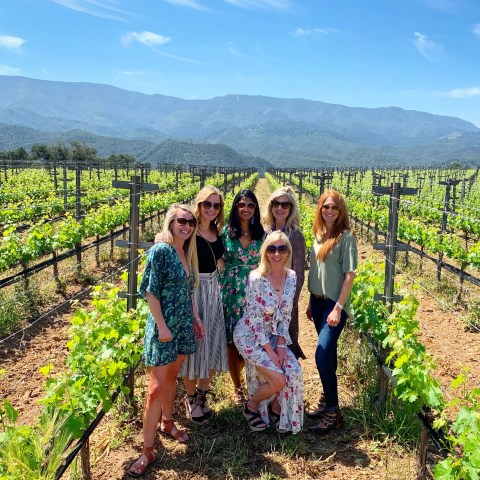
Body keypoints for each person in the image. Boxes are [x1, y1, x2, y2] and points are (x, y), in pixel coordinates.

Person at [128, 204, 204, 477]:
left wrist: (195, 317)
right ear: (171, 223)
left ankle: (168, 422)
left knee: (172, 376)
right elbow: (150, 291)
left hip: (183, 326)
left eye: (191, 222)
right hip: (164, 328)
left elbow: (188, 290)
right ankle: (147, 450)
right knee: (155, 389)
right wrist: (161, 326)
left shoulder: (186, 252)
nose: (187, 226)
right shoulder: (161, 251)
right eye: (181, 221)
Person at [233, 231, 303, 434]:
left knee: (293, 370)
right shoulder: (256, 278)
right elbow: (254, 319)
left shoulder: (291, 277)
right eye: (272, 249)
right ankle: (251, 406)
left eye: (282, 248)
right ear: (265, 252)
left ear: (288, 252)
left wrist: (280, 345)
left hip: (274, 336)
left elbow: (286, 313)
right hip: (249, 337)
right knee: (278, 378)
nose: (277, 254)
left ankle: (275, 407)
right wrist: (269, 351)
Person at [306, 190, 357, 435]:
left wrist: (338, 307)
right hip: (317, 303)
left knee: (322, 353)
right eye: (326, 206)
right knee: (330, 354)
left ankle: (334, 413)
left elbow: (350, 276)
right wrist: (309, 301)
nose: (329, 211)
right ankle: (327, 399)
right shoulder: (317, 235)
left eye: (334, 208)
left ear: (341, 211)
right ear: (320, 209)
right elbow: (316, 272)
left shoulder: (346, 238)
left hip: (333, 306)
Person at [179, 186, 229, 424]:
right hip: (195, 291)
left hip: (213, 292)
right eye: (206, 204)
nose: (211, 209)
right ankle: (190, 399)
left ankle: (201, 396)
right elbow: (171, 242)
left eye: (216, 205)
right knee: (194, 347)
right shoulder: (190, 230)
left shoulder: (217, 232)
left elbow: (219, 260)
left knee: (212, 342)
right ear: (198, 205)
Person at [220, 189, 264, 406]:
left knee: (253, 338)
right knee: (231, 342)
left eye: (250, 205)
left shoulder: (262, 235)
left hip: (254, 294)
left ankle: (253, 384)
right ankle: (237, 388)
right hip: (231, 293)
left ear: (255, 209)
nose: (246, 209)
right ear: (235, 207)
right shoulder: (226, 233)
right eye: (241, 204)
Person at [263, 185, 306, 360]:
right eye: (276, 203)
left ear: (291, 209)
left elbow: (299, 275)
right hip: (264, 300)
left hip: (284, 303)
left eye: (285, 205)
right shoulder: (265, 232)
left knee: (285, 347)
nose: (279, 208)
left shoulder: (295, 236)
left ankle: (287, 385)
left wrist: (289, 306)